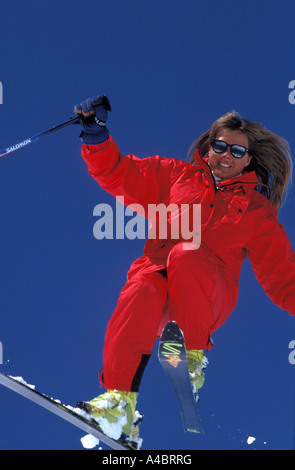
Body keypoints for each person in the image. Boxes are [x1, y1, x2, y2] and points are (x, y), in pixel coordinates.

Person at [74, 95, 295, 445]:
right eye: (220, 146)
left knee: (187, 252)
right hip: (162, 280)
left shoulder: (256, 210)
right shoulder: (175, 176)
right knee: (140, 288)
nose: (226, 155)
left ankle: (193, 357)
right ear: (208, 148)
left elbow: (283, 276)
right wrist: (96, 136)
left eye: (237, 152)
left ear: (249, 161)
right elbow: (120, 173)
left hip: (208, 295)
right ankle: (119, 404)